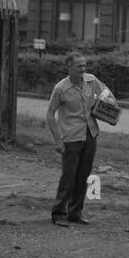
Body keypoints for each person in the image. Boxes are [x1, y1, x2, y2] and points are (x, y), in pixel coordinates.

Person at [45, 53, 113, 227]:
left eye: (84, 65)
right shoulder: (61, 88)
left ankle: (75, 212)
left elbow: (106, 93)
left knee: (84, 175)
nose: (83, 69)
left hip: (91, 134)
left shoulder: (91, 81)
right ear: (69, 68)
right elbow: (50, 114)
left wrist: (109, 102)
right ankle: (59, 212)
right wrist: (57, 141)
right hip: (71, 137)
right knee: (68, 176)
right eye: (79, 66)